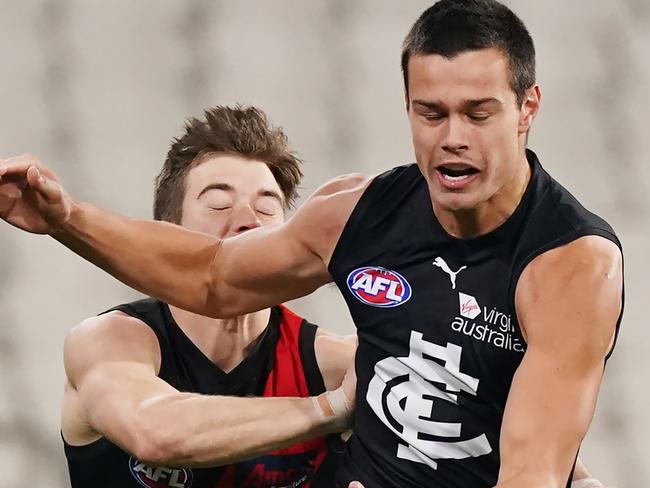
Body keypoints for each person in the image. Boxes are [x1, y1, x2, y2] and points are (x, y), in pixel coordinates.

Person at [0, 1, 623, 487]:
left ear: (527, 107)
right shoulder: (113, 340)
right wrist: (67, 218)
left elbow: (527, 462)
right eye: (431, 113)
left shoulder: (570, 264)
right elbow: (207, 293)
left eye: (478, 113)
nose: (453, 137)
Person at [59, 105, 357, 487]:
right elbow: (154, 432)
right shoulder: (108, 343)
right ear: (168, 235)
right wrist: (329, 409)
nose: (249, 219)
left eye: (268, 208)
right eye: (219, 203)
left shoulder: (335, 365)